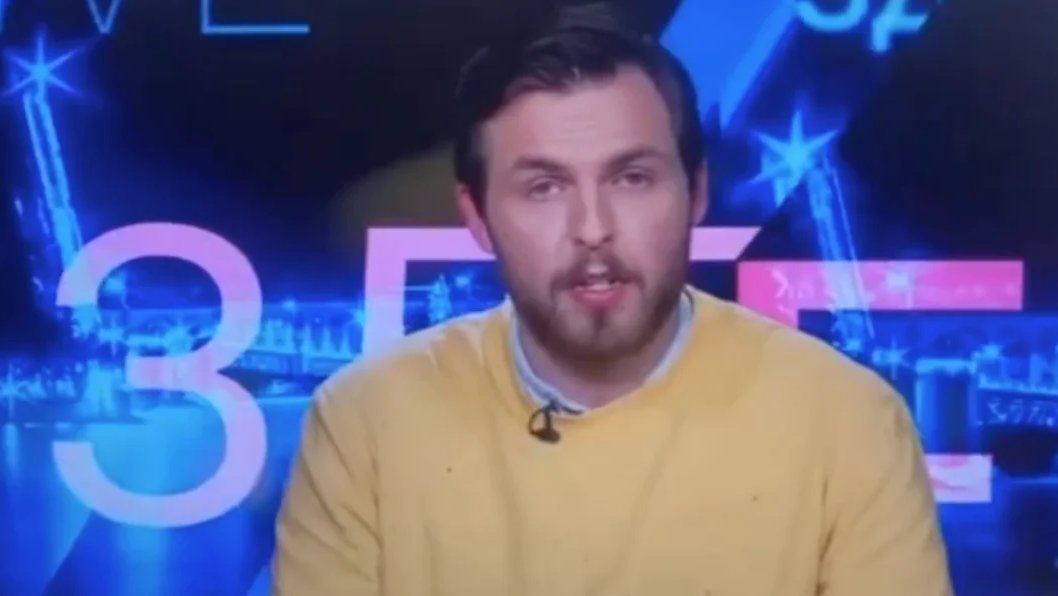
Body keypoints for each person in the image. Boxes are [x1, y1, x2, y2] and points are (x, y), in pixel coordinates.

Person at [272, 7, 952, 595]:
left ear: (696, 194)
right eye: (544, 188)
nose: (592, 228)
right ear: (477, 217)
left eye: (631, 178)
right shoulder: (366, 424)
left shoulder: (848, 423)